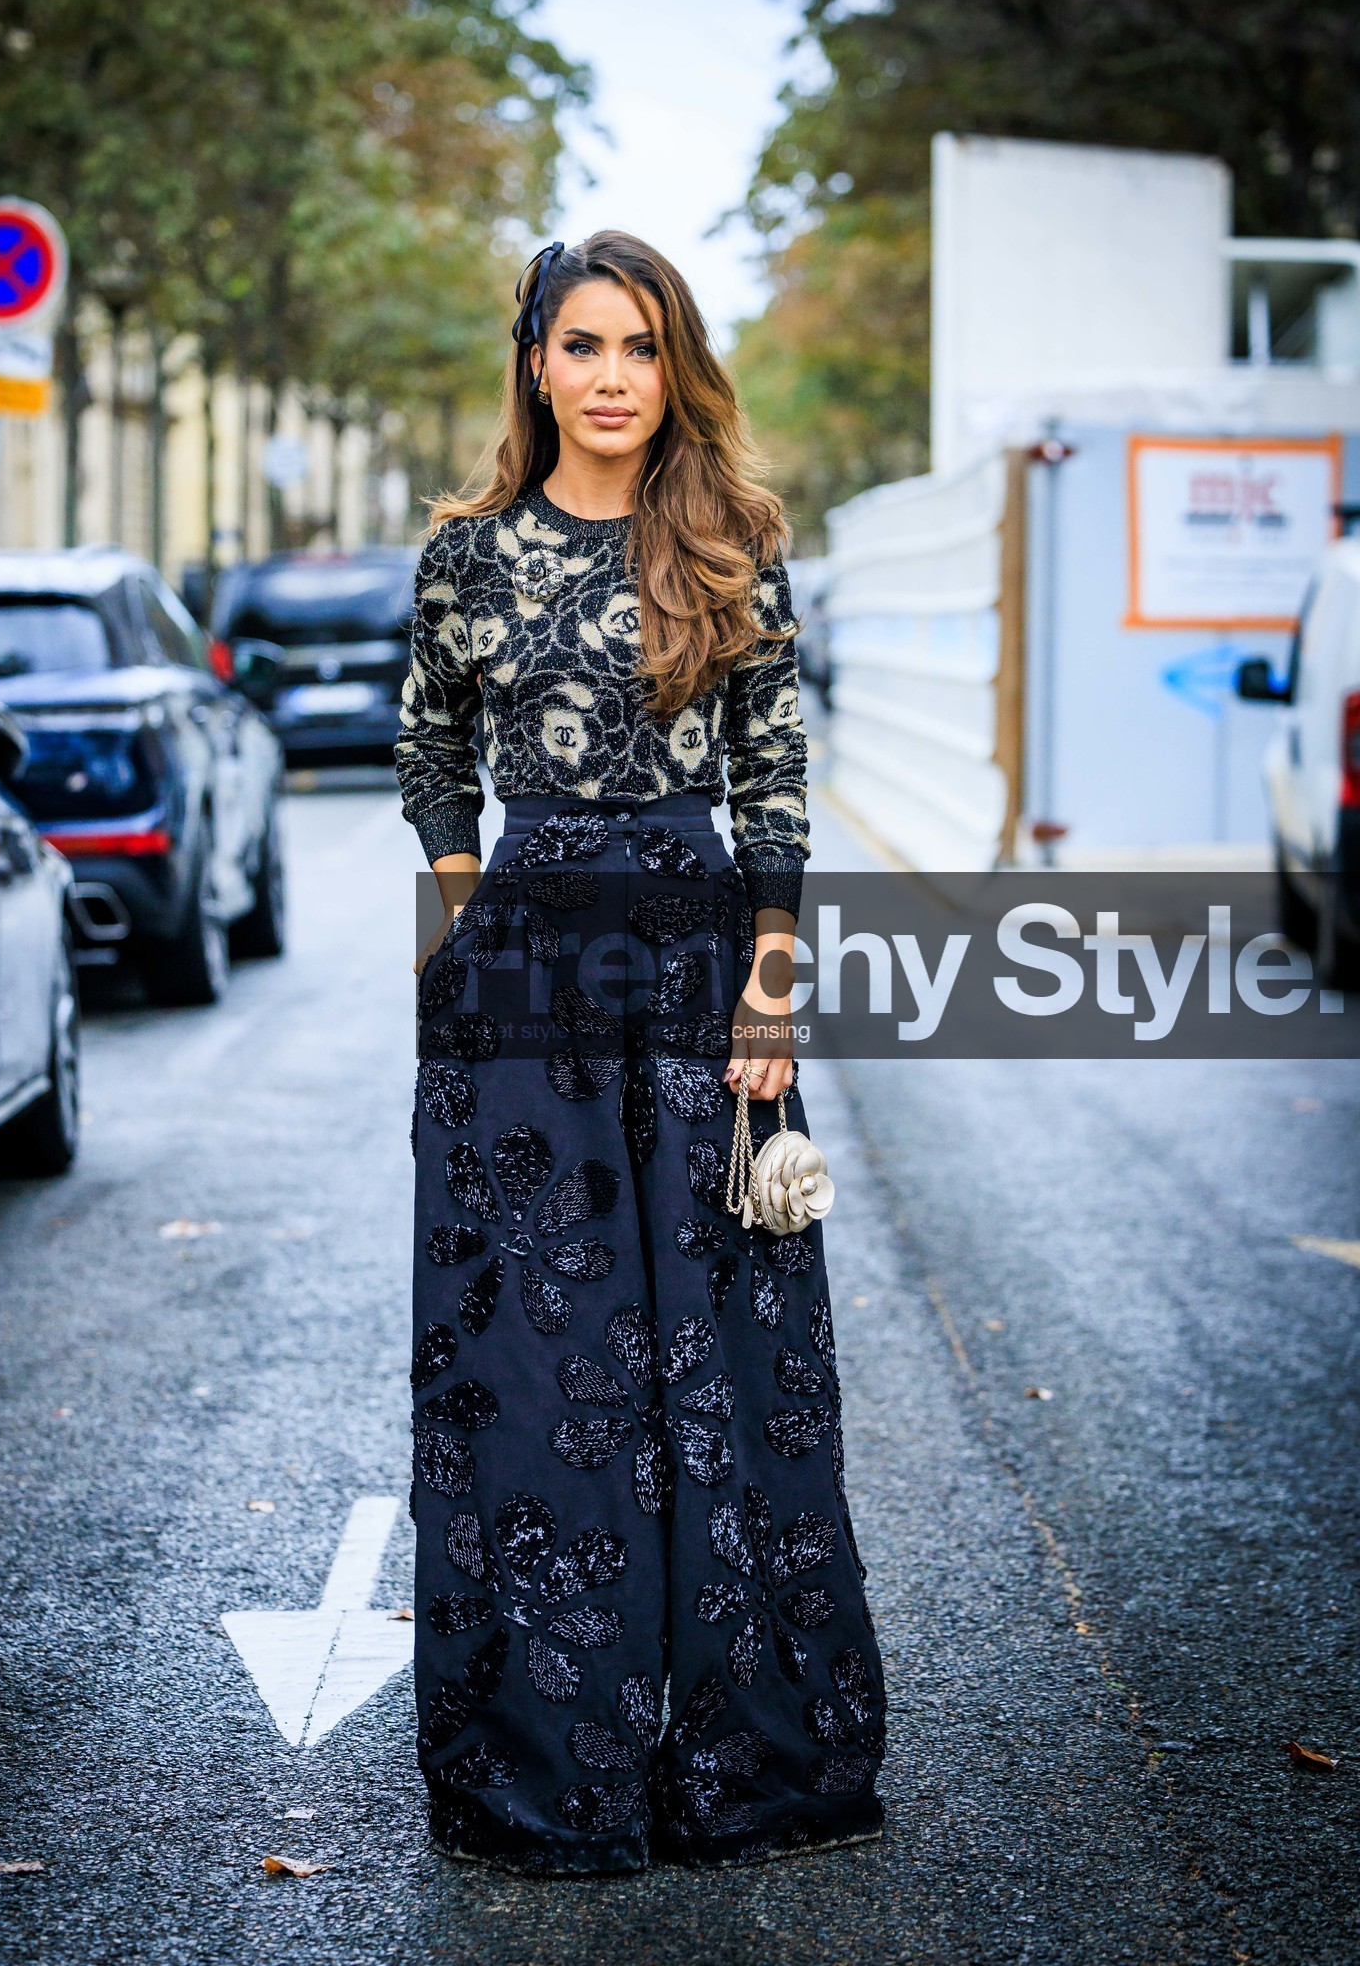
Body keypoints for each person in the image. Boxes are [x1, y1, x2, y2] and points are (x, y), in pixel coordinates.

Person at [394, 231, 886, 1877]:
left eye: (644, 348)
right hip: (526, 979)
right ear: (535, 362)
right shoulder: (466, 555)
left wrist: (772, 987)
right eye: (584, 345)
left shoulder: (734, 538)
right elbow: (431, 752)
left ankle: (743, 1755)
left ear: (675, 370)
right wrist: (466, 927)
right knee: (537, 1369)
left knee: (721, 1358)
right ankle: (557, 1758)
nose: (614, 377)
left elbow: (775, 774)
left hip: (695, 963)